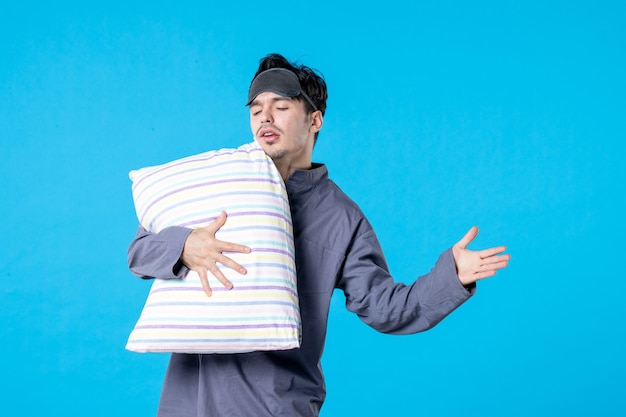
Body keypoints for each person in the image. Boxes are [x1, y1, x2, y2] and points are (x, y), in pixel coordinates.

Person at [127, 53, 510, 417]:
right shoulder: (219, 182)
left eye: (281, 106)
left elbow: (385, 307)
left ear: (315, 121)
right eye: (256, 109)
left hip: (274, 404)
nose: (266, 117)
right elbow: (139, 252)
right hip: (189, 400)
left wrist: (452, 276)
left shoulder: (340, 217)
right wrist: (185, 244)